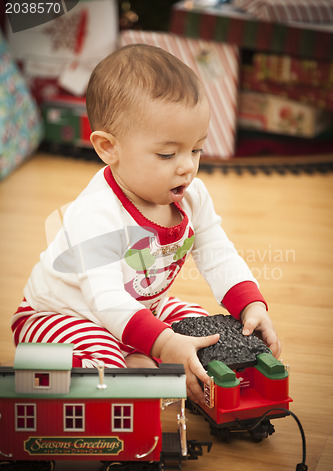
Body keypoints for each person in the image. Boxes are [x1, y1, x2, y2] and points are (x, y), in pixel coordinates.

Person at [11, 44, 281, 403]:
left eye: (196, 149)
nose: (186, 166)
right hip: (62, 314)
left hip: (143, 307)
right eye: (167, 154)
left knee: (208, 329)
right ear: (109, 148)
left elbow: (218, 253)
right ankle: (100, 368)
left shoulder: (193, 197)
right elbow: (105, 300)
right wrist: (164, 342)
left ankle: (157, 363)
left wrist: (250, 306)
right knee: (111, 366)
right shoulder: (96, 213)